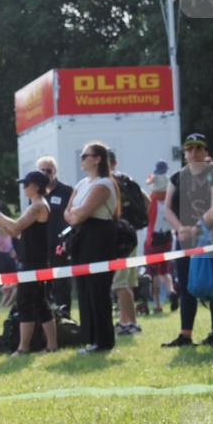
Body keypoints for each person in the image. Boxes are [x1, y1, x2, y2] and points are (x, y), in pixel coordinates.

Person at [160, 133, 213, 347]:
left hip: (212, 238)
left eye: (198, 148)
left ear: (205, 151)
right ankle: (185, 334)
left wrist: (197, 227)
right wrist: (181, 228)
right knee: (185, 285)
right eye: (189, 149)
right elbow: (167, 209)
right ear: (184, 153)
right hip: (184, 240)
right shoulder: (178, 177)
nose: (194, 152)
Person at [0, 171, 57, 354]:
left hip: (33, 262)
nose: (24, 188)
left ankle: (24, 347)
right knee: (41, 303)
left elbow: (16, 226)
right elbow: (14, 232)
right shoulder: (35, 205)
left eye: (26, 184)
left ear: (35, 186)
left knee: (26, 303)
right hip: (33, 261)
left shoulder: (37, 206)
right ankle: (51, 345)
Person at [64, 141, 119, 354]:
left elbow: (83, 212)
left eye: (85, 155)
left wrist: (76, 214)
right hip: (81, 237)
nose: (82, 159)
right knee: (84, 289)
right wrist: (75, 215)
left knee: (98, 290)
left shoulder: (104, 184)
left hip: (99, 238)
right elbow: (69, 213)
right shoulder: (81, 184)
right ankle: (89, 338)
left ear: (97, 158)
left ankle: (103, 340)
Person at [109, 151, 150, 336]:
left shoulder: (108, 182)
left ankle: (130, 324)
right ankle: (126, 321)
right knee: (127, 282)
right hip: (131, 234)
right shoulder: (127, 180)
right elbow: (147, 201)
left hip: (118, 238)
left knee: (119, 284)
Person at [36, 156, 75, 316]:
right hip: (41, 247)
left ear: (55, 172)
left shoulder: (67, 191)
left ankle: (64, 316)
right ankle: (47, 319)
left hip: (61, 246)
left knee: (61, 284)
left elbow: (73, 219)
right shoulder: (36, 194)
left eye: (48, 171)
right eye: (42, 171)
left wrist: (65, 242)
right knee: (43, 285)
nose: (46, 174)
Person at [144, 161, 177, 313]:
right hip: (167, 237)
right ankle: (171, 291)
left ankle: (157, 305)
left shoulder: (153, 201)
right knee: (165, 271)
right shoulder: (170, 193)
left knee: (154, 273)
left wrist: (150, 179)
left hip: (154, 239)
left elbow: (148, 181)